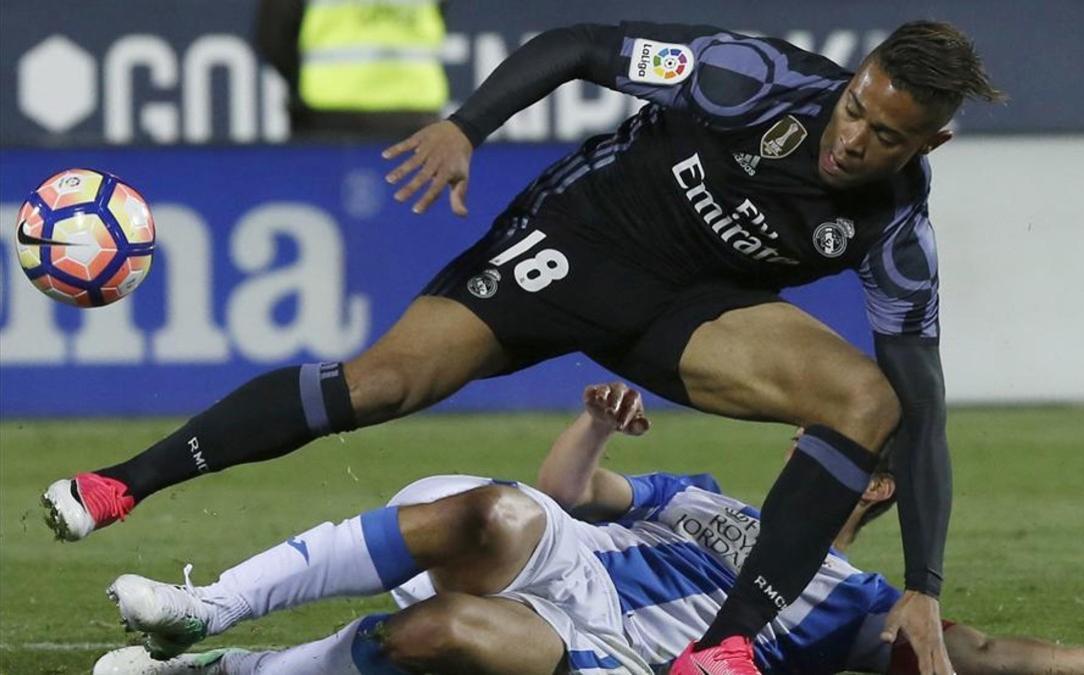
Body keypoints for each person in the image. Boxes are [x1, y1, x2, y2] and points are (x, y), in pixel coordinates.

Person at [45, 20, 1005, 673]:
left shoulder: (895, 233)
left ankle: (729, 648)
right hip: (580, 241)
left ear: (932, 143)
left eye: (883, 137)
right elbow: (580, 46)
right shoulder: (750, 76)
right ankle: (124, 482)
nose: (851, 140)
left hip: (689, 314)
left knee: (872, 401)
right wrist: (467, 126)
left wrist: (922, 588)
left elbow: (924, 410)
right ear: (853, 78)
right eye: (853, 109)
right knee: (381, 382)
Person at [91, 383, 1084, 675]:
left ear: (879, 489)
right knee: (494, 508)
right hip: (569, 561)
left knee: (434, 644)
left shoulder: (851, 602)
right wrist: (593, 427)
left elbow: (978, 650)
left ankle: (230, 669)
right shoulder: (713, 501)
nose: (808, 441)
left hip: (609, 652)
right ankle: (204, 607)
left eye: (838, 449)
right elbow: (569, 494)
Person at [255, 0, 449, 139]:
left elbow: (273, 37)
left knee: (323, 193)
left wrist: (305, 81)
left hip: (328, 112)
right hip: (413, 111)